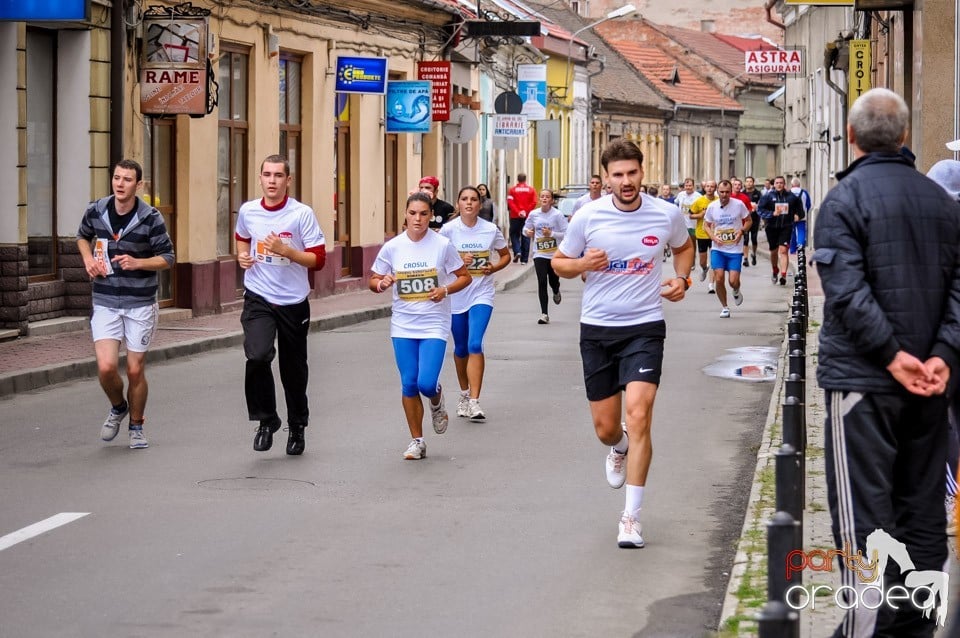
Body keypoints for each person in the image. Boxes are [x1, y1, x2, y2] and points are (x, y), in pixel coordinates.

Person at [813, 88, 960, 637]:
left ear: (852, 138)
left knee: (865, 519)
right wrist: (943, 356)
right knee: (923, 510)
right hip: (930, 385)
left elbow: (845, 292)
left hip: (863, 384)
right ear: (904, 137)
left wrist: (893, 357)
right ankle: (913, 630)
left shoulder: (843, 201)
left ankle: (863, 628)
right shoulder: (940, 201)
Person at [551, 139, 695, 548]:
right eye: (618, 175)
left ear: (641, 172)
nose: (626, 181)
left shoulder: (665, 214)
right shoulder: (587, 216)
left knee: (641, 413)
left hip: (644, 327)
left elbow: (685, 248)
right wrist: (582, 264)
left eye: (632, 173)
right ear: (606, 178)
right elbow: (560, 263)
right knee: (606, 427)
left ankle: (630, 518)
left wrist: (682, 279)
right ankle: (617, 447)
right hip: (597, 330)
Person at [76, 159, 175, 450]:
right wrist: (87, 259)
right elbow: (82, 235)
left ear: (138, 185)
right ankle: (119, 406)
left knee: (134, 370)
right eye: (117, 178)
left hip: (140, 301)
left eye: (127, 179)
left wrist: (138, 262)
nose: (120, 184)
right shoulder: (97, 210)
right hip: (105, 298)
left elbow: (168, 258)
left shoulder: (150, 218)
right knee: (106, 367)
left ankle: (136, 425)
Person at [370, 193, 472, 460]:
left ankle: (436, 399)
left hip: (433, 324)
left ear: (430, 216)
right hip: (403, 324)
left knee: (426, 383)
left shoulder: (442, 245)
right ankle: (417, 440)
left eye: (423, 214)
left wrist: (445, 290)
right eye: (413, 213)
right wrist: (382, 284)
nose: (418, 219)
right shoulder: (393, 247)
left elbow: (464, 277)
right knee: (408, 384)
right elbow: (374, 279)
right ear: (405, 214)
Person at [236, 155, 326, 456]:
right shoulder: (249, 211)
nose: (271, 181)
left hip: (292, 301)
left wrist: (286, 251)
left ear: (288, 180)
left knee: (293, 370)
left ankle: (297, 426)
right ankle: (266, 420)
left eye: (278, 175)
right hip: (258, 296)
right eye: (266, 175)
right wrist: (242, 257)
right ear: (259, 178)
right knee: (258, 356)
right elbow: (241, 238)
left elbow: (318, 260)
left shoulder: (301, 214)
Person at [440, 186, 511, 421]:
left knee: (474, 344)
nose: (469, 203)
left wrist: (494, 267)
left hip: (481, 293)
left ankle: (474, 400)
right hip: (457, 294)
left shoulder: (490, 230)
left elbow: (505, 255)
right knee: (460, 348)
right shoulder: (448, 230)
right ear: (458, 204)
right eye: (464, 199)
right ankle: (463, 393)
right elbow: (436, 260)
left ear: (480, 205)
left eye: (473, 199)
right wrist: (459, 259)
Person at [703, 180, 751, 318]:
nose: (724, 195)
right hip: (718, 248)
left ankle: (736, 290)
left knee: (733, 281)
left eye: (727, 192)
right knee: (718, 279)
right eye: (722, 192)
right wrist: (713, 237)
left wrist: (741, 232)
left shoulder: (739, 205)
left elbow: (749, 221)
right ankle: (725, 307)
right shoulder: (712, 207)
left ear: (731, 192)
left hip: (735, 248)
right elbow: (706, 225)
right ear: (718, 191)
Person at [523, 189, 568, 324]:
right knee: (542, 281)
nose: (544, 199)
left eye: (547, 197)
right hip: (539, 253)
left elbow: (567, 233)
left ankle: (556, 289)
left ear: (552, 200)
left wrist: (551, 234)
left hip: (554, 254)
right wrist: (528, 232)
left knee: (553, 280)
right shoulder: (533, 214)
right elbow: (525, 229)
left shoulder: (558, 215)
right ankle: (544, 314)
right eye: (542, 196)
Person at [757, 176, 803, 286]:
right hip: (771, 227)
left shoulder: (792, 197)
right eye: (777, 183)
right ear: (774, 184)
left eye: (781, 183)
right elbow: (760, 210)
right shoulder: (768, 197)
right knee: (773, 252)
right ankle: (775, 269)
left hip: (786, 226)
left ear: (784, 184)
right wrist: (771, 214)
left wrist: (797, 215)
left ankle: (783, 275)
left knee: (783, 250)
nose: (779, 185)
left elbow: (800, 211)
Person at [688, 179, 718, 292]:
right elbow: (690, 215)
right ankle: (704, 269)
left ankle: (711, 284)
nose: (709, 188)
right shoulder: (699, 201)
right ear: (705, 188)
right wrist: (700, 214)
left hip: (715, 234)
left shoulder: (718, 201)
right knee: (702, 261)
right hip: (701, 234)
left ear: (715, 188)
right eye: (708, 186)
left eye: (712, 186)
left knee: (714, 260)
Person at [507, 173, 537, 263]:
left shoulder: (512, 190)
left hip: (515, 216)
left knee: (514, 234)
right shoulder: (531, 190)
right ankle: (524, 259)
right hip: (527, 216)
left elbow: (510, 202)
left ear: (517, 179)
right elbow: (534, 202)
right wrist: (525, 211)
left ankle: (517, 251)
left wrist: (518, 211)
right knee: (526, 235)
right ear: (525, 179)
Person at [741, 176, 762, 267]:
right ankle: (745, 258)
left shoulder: (758, 193)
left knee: (754, 238)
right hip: (745, 219)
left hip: (755, 218)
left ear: (753, 183)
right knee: (745, 239)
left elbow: (762, 203)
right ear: (745, 183)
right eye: (747, 181)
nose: (749, 183)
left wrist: (758, 206)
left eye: (750, 181)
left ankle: (753, 254)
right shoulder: (742, 193)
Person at [674, 178, 700, 249]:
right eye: (686, 185)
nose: (688, 187)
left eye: (690, 185)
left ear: (693, 186)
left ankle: (693, 260)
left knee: (692, 245)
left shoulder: (698, 196)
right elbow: (676, 203)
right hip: (682, 224)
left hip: (693, 225)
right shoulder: (680, 194)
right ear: (684, 186)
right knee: (682, 245)